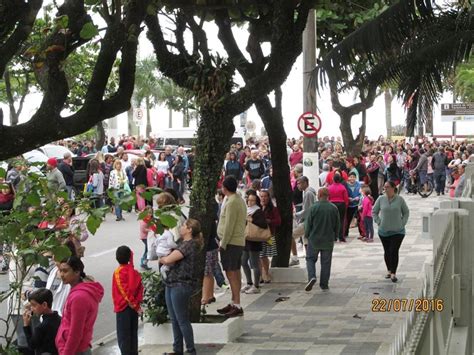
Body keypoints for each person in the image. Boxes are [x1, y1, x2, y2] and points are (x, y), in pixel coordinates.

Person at [159, 219, 203, 355]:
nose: (181, 227)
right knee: (174, 319)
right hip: (171, 283)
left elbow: (168, 259)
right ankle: (177, 349)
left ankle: (191, 350)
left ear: (189, 230)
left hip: (181, 284)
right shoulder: (182, 243)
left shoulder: (188, 245)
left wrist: (162, 258)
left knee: (182, 319)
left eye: (184, 225)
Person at [55, 256, 104, 355]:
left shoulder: (79, 297)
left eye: (65, 271)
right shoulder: (78, 291)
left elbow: (75, 332)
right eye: (60, 271)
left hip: (75, 351)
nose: (62, 275)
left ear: (77, 272)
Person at [216, 176, 247, 317]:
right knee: (233, 272)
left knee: (231, 272)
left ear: (225, 188)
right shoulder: (235, 199)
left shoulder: (233, 201)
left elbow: (229, 224)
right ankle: (234, 301)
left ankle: (237, 303)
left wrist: (223, 243)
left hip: (231, 242)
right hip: (234, 241)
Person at [304, 187, 340, 292]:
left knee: (310, 259)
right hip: (328, 239)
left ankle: (312, 277)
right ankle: (324, 284)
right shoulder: (333, 208)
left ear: (318, 195)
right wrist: (336, 236)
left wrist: (307, 235)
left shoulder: (313, 208)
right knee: (326, 263)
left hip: (314, 239)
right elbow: (337, 224)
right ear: (328, 196)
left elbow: (308, 224)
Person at [372, 181, 410, 283]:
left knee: (394, 250)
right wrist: (378, 221)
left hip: (398, 231)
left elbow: (406, 212)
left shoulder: (400, 199)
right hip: (383, 231)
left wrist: (402, 223)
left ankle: (393, 273)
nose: (386, 189)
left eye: (388, 187)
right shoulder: (381, 199)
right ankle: (389, 270)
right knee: (387, 251)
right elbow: (374, 211)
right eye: (384, 187)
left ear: (393, 188)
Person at [112, 246, 144, 355]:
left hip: (124, 307)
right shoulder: (134, 272)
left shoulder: (118, 272)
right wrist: (137, 305)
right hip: (133, 308)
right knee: (132, 335)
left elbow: (124, 291)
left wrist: (134, 305)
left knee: (124, 337)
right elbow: (140, 288)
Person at [241, 190, 266, 294]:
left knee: (254, 263)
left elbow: (263, 224)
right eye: (249, 200)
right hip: (246, 240)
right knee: (243, 261)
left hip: (254, 240)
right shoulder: (247, 210)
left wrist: (252, 220)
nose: (250, 202)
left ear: (256, 201)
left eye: (252, 200)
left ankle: (256, 285)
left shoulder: (258, 211)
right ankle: (249, 282)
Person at [23, 288, 61, 355]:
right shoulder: (60, 319)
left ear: (44, 305)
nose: (31, 308)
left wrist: (26, 326)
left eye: (34, 305)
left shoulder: (41, 327)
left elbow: (32, 345)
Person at [292, 176, 317, 261]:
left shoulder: (308, 193)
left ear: (305, 183)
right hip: (308, 220)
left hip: (308, 221)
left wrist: (296, 215)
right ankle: (309, 257)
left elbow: (307, 210)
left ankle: (295, 258)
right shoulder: (307, 192)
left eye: (299, 183)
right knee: (306, 239)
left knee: (291, 236)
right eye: (297, 184)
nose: (298, 186)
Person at [259, 189, 280, 283]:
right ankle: (261, 275)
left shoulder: (273, 209)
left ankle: (266, 274)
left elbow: (278, 221)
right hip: (257, 236)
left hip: (268, 235)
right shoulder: (257, 208)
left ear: (268, 197)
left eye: (265, 196)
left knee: (264, 255)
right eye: (261, 196)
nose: (263, 198)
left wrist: (269, 221)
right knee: (259, 256)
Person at [328, 174, 349, 242]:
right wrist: (346, 205)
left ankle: (334, 236)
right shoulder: (342, 187)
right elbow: (346, 198)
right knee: (341, 220)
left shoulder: (329, 187)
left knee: (332, 220)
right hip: (341, 204)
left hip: (332, 204)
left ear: (333, 179)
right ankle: (341, 236)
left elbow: (328, 197)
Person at [345, 172, 361, 239]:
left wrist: (358, 197)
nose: (352, 178)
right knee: (348, 219)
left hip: (357, 204)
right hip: (349, 205)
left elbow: (362, 193)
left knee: (360, 219)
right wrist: (348, 198)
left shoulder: (359, 184)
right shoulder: (346, 185)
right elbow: (344, 193)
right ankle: (346, 233)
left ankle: (362, 233)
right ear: (348, 178)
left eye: (353, 177)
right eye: (351, 177)